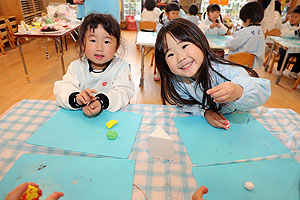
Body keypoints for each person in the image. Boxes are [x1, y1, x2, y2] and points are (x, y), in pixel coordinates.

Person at [155, 18, 270, 129]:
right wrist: (205, 111)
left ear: (200, 43)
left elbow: (261, 91)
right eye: (170, 54)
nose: (180, 58)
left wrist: (238, 90)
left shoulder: (226, 71)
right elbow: (186, 104)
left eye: (184, 46)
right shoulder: (178, 81)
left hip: (243, 123)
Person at [54, 13, 135, 118]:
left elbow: (124, 91)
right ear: (83, 44)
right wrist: (77, 99)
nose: (99, 48)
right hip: (81, 120)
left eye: (107, 42)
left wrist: (101, 101)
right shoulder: (76, 67)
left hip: (112, 118)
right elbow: (62, 89)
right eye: (93, 40)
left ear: (117, 47)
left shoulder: (121, 67)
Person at [226, 2, 265, 68]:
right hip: (251, 66)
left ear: (247, 20)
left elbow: (231, 45)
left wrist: (228, 41)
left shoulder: (245, 32)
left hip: (236, 64)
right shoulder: (261, 32)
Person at [277, 5, 300, 81]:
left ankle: (294, 71)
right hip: (284, 47)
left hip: (295, 48)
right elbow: (285, 34)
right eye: (291, 16)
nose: (292, 19)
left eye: (296, 17)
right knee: (285, 54)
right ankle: (280, 69)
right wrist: (296, 32)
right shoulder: (286, 25)